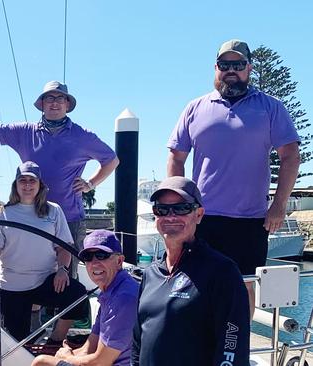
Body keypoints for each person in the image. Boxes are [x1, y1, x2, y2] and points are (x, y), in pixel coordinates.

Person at [167, 39, 300, 316]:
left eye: (238, 64)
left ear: (249, 68)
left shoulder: (271, 107)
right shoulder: (195, 108)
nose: (231, 70)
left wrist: (278, 206)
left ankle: (238, 349)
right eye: (225, 64)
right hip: (200, 218)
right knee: (194, 283)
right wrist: (178, 206)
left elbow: (290, 156)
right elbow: (176, 158)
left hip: (250, 220)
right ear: (216, 68)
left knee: (244, 287)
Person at [0, 81, 119, 277]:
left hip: (69, 219)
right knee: (34, 276)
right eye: (49, 98)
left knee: (67, 277)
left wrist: (90, 184)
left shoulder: (83, 136)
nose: (55, 103)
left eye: (60, 98)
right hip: (32, 217)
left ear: (67, 105)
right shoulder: (25, 132)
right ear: (41, 104)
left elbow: (112, 160)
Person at [0, 161, 89, 343]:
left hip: (46, 281)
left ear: (40, 185)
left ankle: (56, 339)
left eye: (32, 180)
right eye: (23, 180)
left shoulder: (54, 211)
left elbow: (63, 247)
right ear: (16, 185)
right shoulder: (2, 213)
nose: (27, 185)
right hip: (12, 286)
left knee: (78, 295)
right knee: (18, 342)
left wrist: (62, 269)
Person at [131, 176, 250, 365]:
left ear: (199, 214)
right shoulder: (149, 274)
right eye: (162, 209)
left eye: (181, 208)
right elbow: (138, 341)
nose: (170, 216)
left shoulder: (221, 271)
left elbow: (232, 344)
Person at [31, 230, 139, 366]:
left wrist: (67, 358)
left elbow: (101, 362)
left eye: (101, 255)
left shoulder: (124, 298)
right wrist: (65, 356)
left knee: (41, 362)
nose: (94, 263)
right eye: (88, 257)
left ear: (119, 261)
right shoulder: (111, 293)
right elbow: (88, 348)